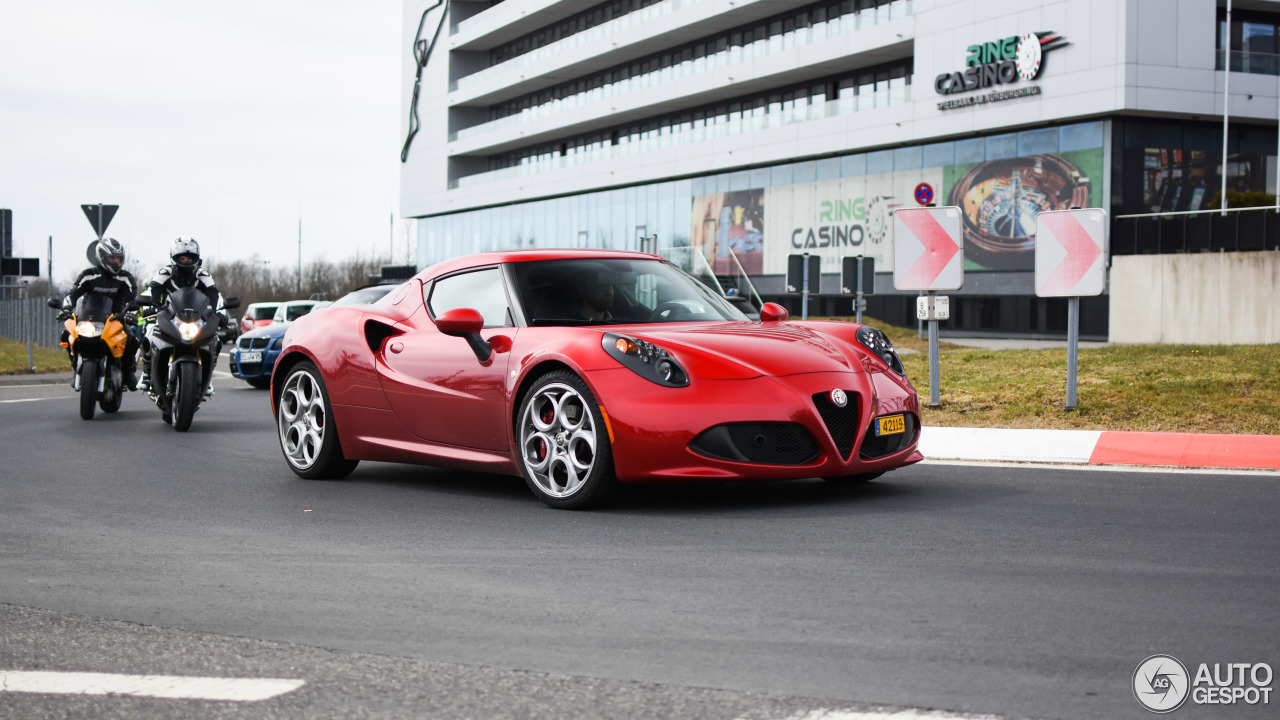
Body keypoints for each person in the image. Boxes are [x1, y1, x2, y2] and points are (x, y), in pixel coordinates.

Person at [139, 237, 223, 396]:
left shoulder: (202, 274)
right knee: (149, 333)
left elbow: (214, 294)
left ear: (196, 258)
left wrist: (219, 313)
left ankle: (208, 375)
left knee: (215, 340)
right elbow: (154, 289)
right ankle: (146, 372)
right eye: (182, 258)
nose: (186, 261)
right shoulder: (165, 272)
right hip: (169, 317)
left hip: (195, 320)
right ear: (174, 258)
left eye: (189, 258)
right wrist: (152, 306)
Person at [59, 237, 140, 390]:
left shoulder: (125, 278)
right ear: (102, 258)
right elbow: (72, 294)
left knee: (132, 340)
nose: (116, 261)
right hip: (88, 319)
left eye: (118, 258)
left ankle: (128, 372)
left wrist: (131, 313)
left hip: (116, 319)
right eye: (112, 258)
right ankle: (75, 366)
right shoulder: (88, 276)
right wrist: (65, 309)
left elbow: (132, 300)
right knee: (66, 335)